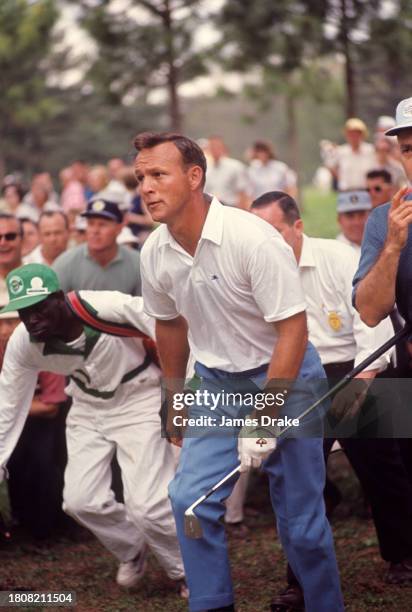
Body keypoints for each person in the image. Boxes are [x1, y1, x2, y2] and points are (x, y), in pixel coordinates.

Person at [134, 131, 343, 612]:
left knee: (301, 522)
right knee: (188, 500)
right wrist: (174, 398)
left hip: (287, 380)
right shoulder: (155, 252)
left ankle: (324, 604)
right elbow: (168, 326)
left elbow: (294, 331)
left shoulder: (252, 238)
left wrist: (267, 414)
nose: (146, 186)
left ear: (194, 177)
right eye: (141, 176)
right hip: (215, 385)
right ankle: (210, 603)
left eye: (158, 174)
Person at [252, 192, 412, 608]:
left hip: (358, 367)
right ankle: (301, 581)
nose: (265, 240)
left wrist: (358, 388)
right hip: (299, 375)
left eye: (274, 231)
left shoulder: (338, 257)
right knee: (299, 480)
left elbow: (370, 325)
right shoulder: (255, 268)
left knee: (382, 467)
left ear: (298, 226)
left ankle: (402, 553)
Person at [0, 263, 186, 595]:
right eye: (22, 312)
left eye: (38, 307)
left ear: (59, 297)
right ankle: (132, 549)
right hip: (87, 408)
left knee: (148, 505)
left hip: (138, 397)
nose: (31, 320)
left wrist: (182, 391)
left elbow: (167, 326)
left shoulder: (103, 306)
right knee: (79, 500)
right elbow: (9, 404)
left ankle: (187, 571)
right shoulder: (24, 343)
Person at [53, 199, 141, 295]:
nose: (95, 231)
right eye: (91, 224)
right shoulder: (66, 263)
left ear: (118, 229)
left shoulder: (137, 263)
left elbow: (146, 306)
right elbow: (53, 306)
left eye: (102, 225)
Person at [327, 118, 376, 191]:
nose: (354, 137)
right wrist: (341, 179)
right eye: (351, 134)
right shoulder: (341, 151)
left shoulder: (370, 150)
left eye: (357, 134)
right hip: (346, 191)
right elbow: (330, 165)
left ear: (362, 135)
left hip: (366, 190)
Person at [204, 136, 250, 208]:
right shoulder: (205, 168)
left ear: (223, 148)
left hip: (230, 207)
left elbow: (242, 192)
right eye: (212, 147)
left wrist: (242, 210)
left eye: (217, 147)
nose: (214, 150)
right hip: (211, 207)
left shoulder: (235, 166)